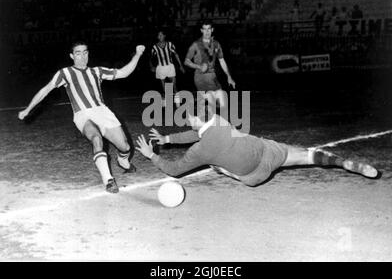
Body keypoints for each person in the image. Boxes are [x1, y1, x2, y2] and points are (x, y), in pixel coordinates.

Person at [135, 103, 379, 187]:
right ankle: (341, 162)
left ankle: (225, 168)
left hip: (252, 177)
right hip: (268, 152)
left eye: (189, 117)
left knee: (214, 164)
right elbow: (197, 131)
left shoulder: (200, 149)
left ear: (197, 119)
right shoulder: (220, 120)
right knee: (308, 156)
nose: (187, 120)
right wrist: (168, 139)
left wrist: (151, 155)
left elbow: (175, 170)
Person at [18, 42, 146, 193]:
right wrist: (28, 109)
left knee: (125, 146)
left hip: (102, 112)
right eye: (78, 53)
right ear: (72, 56)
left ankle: (122, 160)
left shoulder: (97, 71)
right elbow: (45, 90)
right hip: (82, 115)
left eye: (85, 52)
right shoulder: (65, 73)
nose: (82, 56)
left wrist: (137, 55)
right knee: (96, 139)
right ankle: (109, 180)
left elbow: (123, 73)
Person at [184, 20, 236, 107]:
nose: (207, 31)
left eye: (209, 29)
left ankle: (202, 102)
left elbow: (222, 60)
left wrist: (229, 76)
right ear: (201, 30)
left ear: (212, 30)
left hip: (212, 75)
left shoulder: (216, 44)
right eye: (204, 29)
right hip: (200, 76)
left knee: (222, 104)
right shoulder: (196, 44)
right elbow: (186, 61)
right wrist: (199, 66)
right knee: (214, 101)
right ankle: (203, 102)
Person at [149, 30, 185, 107]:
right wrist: (151, 66)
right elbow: (151, 58)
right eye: (159, 35)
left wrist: (180, 65)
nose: (160, 37)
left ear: (164, 36)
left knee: (174, 85)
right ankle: (166, 102)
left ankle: (177, 101)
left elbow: (176, 54)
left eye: (161, 35)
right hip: (161, 68)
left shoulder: (170, 44)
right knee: (164, 87)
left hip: (170, 66)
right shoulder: (155, 47)